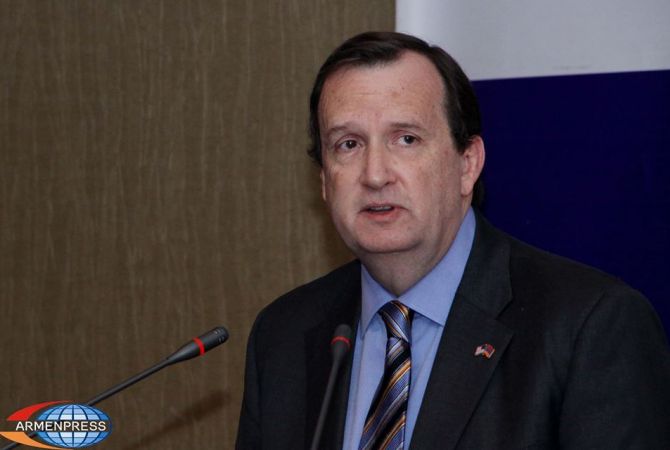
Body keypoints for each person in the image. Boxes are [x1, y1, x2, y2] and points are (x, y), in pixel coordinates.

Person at [236, 31, 670, 450]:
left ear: (467, 164)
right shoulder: (284, 336)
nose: (375, 175)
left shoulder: (589, 326)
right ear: (324, 181)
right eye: (348, 144)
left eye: (406, 139)